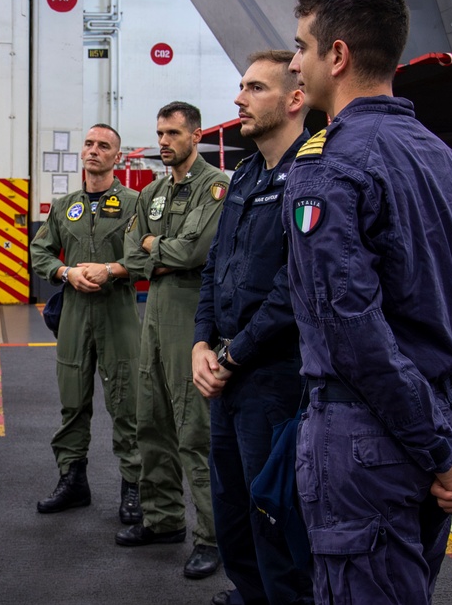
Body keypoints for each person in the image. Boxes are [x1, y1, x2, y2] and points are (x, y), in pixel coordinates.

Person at [284, 0, 452, 604]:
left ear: (337, 55)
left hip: (365, 438)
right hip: (436, 426)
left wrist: (446, 457)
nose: (295, 64)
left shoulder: (326, 164)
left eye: (301, 47)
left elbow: (351, 332)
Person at [191, 51, 312, 605]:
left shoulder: (309, 175)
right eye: (241, 86)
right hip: (227, 370)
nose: (239, 98)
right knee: (232, 504)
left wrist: (232, 354)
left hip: (275, 377)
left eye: (254, 88)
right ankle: (248, 594)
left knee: (274, 511)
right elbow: (217, 266)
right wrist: (200, 341)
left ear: (294, 99)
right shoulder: (242, 175)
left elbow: (294, 287)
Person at [120, 101, 227, 580]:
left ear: (196, 135)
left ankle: (211, 536)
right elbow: (132, 251)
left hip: (192, 315)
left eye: (172, 134)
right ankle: (162, 520)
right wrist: (158, 253)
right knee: (152, 424)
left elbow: (194, 251)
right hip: (154, 315)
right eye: (159, 133)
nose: (163, 142)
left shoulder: (217, 185)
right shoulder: (154, 191)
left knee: (194, 434)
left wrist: (154, 248)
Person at [30, 124, 143, 524]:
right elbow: (39, 251)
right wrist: (64, 273)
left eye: (104, 146)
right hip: (75, 315)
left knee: (127, 404)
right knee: (72, 403)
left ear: (117, 157)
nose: (94, 151)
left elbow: (148, 258)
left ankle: (134, 487)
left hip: (118, 314)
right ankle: (73, 480)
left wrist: (111, 270)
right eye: (90, 144)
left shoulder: (135, 204)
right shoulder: (65, 206)